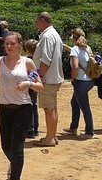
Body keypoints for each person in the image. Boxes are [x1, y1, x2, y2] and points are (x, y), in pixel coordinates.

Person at [0, 32, 44, 180]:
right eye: (6, 44)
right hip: (4, 108)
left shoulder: (28, 63)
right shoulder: (0, 61)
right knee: (6, 146)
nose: (9, 46)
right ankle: (15, 164)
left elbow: (40, 86)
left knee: (17, 147)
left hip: (23, 109)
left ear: (20, 45)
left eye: (12, 43)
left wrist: (29, 83)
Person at [32, 12, 64, 147]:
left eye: (37, 22)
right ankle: (52, 135)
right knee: (52, 108)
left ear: (43, 21)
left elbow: (45, 60)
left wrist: (39, 76)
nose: (36, 25)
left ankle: (49, 138)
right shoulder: (55, 34)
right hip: (54, 77)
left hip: (47, 78)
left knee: (48, 109)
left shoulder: (46, 36)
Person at [62, 28, 95, 139]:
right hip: (89, 80)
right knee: (74, 103)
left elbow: (75, 66)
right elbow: (83, 58)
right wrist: (67, 47)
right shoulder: (87, 48)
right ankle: (73, 127)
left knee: (85, 108)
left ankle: (89, 132)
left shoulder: (75, 49)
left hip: (80, 81)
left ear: (73, 37)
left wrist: (72, 78)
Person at [24, 39, 39, 138]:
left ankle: (30, 130)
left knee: (28, 108)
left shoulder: (26, 61)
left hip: (29, 86)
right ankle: (35, 129)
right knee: (34, 107)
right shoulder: (38, 60)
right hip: (35, 86)